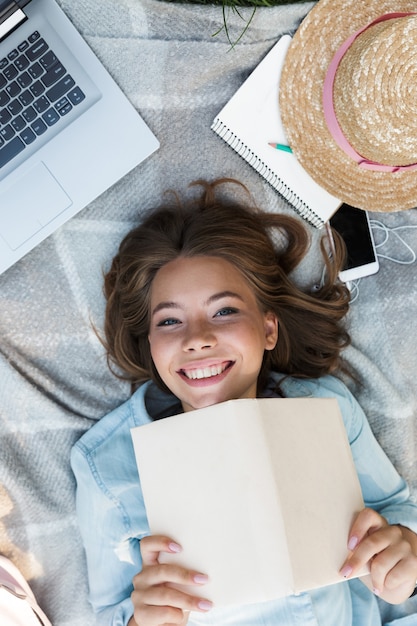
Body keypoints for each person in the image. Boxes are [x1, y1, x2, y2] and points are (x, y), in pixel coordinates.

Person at [71, 179, 417, 626]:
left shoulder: (324, 407)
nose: (197, 339)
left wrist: (402, 552)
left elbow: (396, 509)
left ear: (269, 329)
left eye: (225, 311)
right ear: (151, 346)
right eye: (170, 320)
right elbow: (107, 612)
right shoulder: (105, 466)